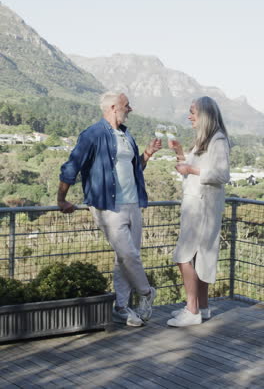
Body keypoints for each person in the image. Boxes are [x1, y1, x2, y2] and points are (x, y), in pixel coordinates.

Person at [57, 91, 162, 327]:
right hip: (107, 206)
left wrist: (147, 153)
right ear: (114, 107)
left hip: (133, 204)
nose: (130, 109)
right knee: (128, 255)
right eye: (127, 105)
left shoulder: (126, 134)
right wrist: (61, 199)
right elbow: (71, 167)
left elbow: (135, 169)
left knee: (122, 259)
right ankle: (146, 293)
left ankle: (121, 308)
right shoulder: (92, 134)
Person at [167, 96, 230, 327]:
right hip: (196, 206)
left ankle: (191, 310)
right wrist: (181, 153)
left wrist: (191, 168)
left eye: (192, 112)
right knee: (199, 258)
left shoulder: (218, 140)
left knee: (183, 257)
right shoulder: (203, 140)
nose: (189, 116)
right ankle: (202, 308)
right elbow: (192, 171)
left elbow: (222, 175)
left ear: (204, 115)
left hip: (202, 210)